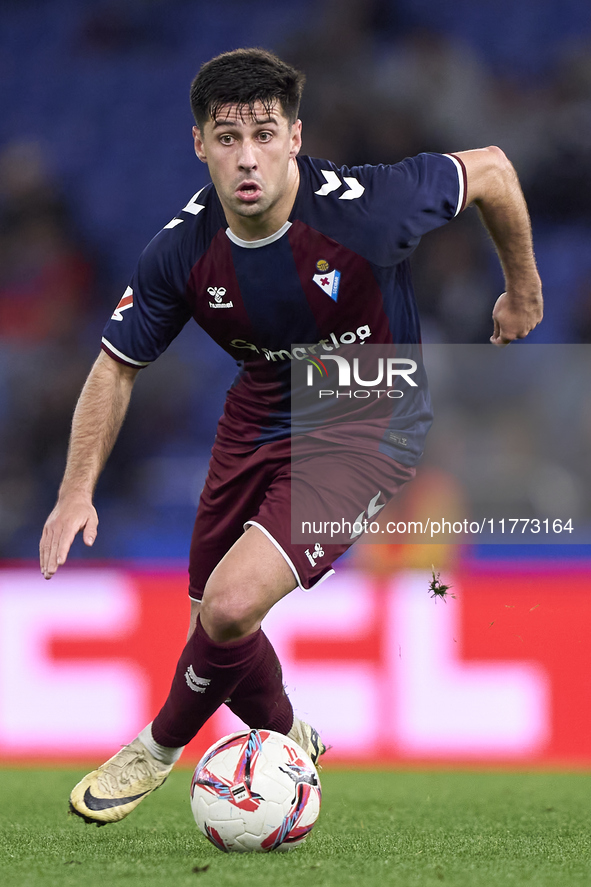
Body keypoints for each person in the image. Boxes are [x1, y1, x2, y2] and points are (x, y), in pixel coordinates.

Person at [39, 48, 543, 826]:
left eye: (265, 134)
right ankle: (287, 735)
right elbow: (115, 365)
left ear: (295, 138)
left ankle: (155, 744)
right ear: (198, 144)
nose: (248, 157)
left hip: (365, 416)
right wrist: (76, 490)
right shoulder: (181, 250)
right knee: (213, 607)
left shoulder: (369, 210)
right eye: (228, 136)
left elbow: (496, 170)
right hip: (258, 410)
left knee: (230, 608)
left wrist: (520, 289)